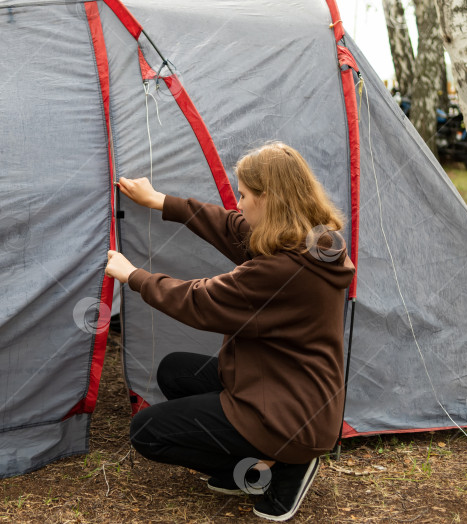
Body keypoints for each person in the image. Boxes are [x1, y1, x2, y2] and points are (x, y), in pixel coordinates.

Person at [105, 142, 355, 522]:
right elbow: (230, 227)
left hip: (289, 416)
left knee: (146, 432)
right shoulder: (311, 241)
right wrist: (160, 200)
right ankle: (251, 465)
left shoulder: (282, 271)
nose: (238, 204)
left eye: (243, 195)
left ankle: (280, 466)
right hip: (290, 387)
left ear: (268, 198)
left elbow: (199, 301)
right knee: (175, 370)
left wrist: (132, 275)